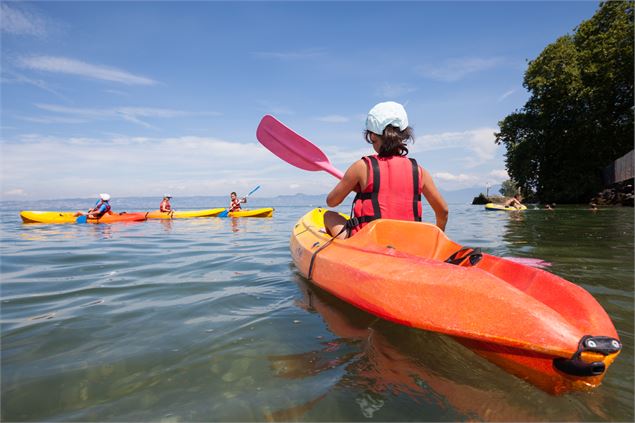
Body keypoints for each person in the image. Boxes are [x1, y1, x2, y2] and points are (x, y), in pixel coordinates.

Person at [323, 101, 448, 239]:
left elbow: (332, 201)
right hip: (408, 241)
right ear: (404, 135)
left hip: (368, 242)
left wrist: (350, 183)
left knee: (328, 215)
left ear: (372, 136)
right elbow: (443, 211)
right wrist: (437, 240)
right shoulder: (419, 172)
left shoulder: (361, 167)